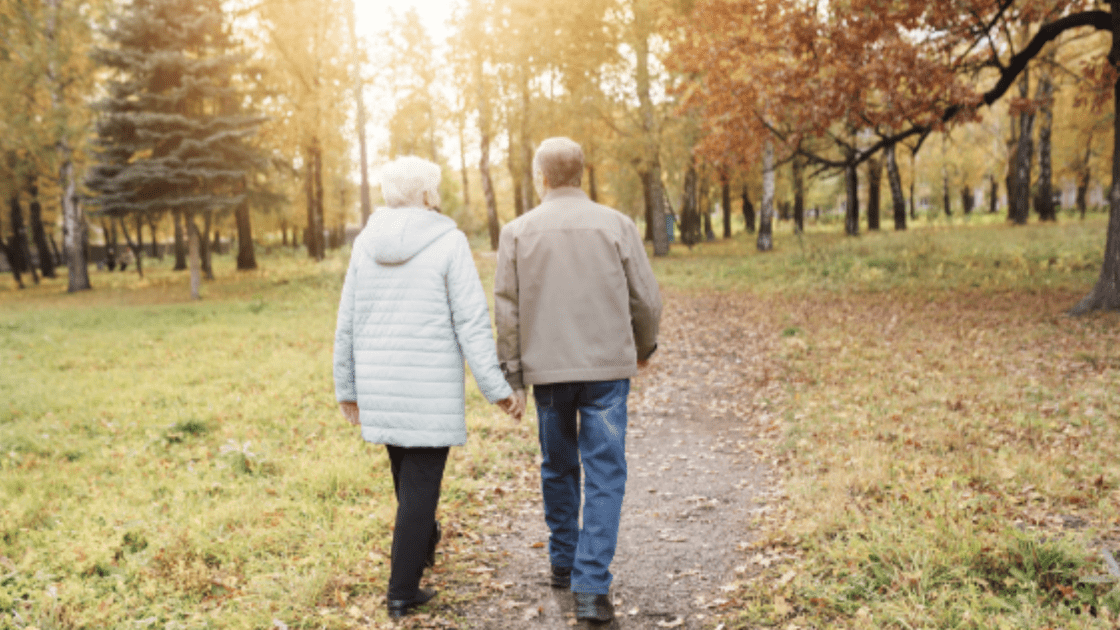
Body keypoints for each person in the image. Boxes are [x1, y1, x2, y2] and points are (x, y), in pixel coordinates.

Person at [333, 156, 523, 619]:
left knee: (410, 486)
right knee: (419, 493)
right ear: (426, 194)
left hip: (382, 385)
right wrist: (497, 388)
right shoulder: (449, 241)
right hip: (427, 389)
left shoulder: (366, 244)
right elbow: (471, 321)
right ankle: (401, 592)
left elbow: (347, 320)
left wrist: (348, 387)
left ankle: (422, 541)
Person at [494, 137, 662, 623]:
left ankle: (563, 562)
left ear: (541, 176)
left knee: (558, 465)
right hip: (607, 370)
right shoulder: (617, 225)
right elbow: (646, 300)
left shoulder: (518, 232)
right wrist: (643, 347)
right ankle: (592, 586)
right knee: (606, 471)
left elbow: (506, 309)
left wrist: (512, 376)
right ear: (581, 174)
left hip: (548, 373)